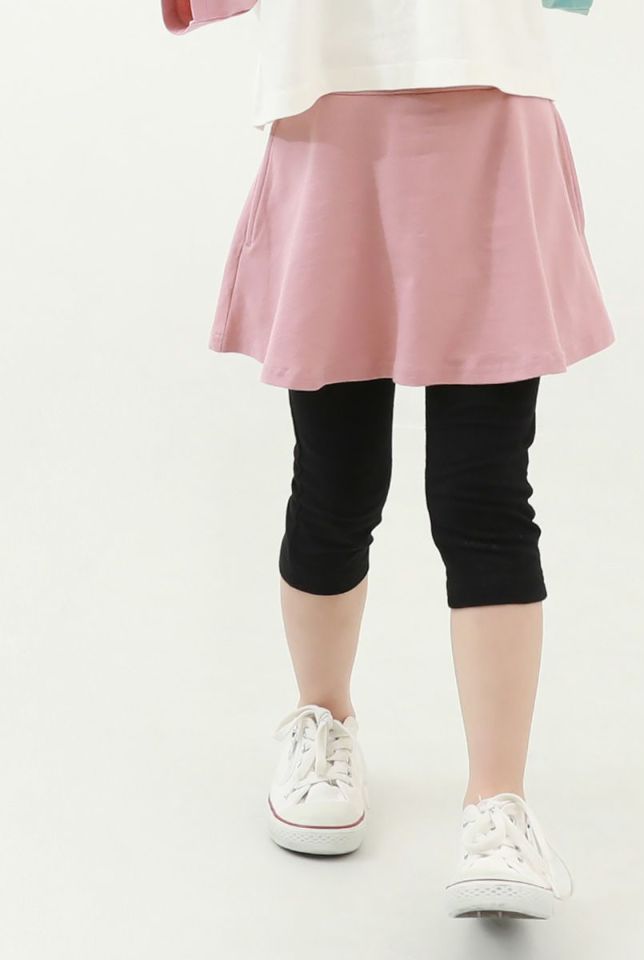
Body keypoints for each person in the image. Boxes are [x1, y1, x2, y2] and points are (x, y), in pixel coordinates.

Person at [161, 0, 614, 919]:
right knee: (336, 479)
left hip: (490, 109)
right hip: (332, 115)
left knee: (483, 490)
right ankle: (323, 719)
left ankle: (498, 805)